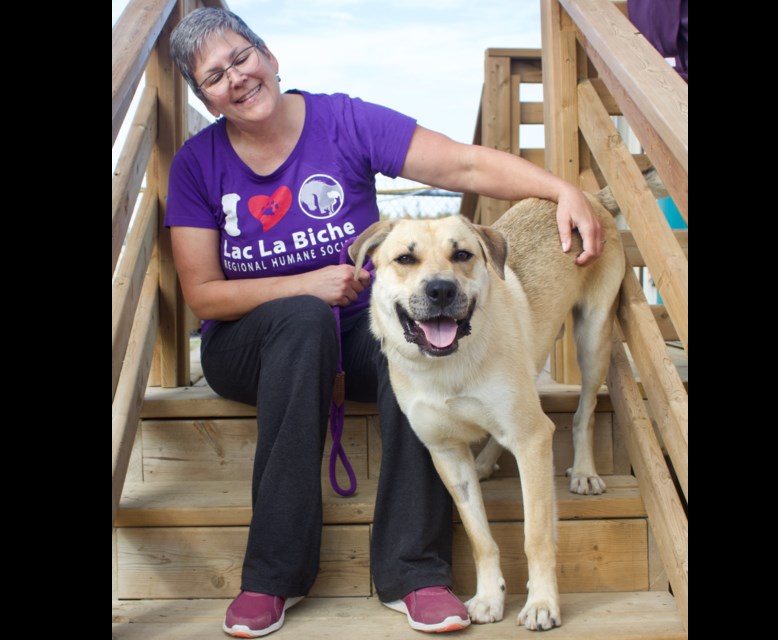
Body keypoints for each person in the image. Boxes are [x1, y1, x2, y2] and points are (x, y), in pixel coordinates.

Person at [166, 7, 604, 637]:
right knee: (302, 321)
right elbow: (204, 295)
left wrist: (562, 190)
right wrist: (307, 286)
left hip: (354, 331)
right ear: (204, 98)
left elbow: (465, 167)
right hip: (251, 341)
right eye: (213, 76)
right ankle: (271, 575)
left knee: (412, 342)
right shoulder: (196, 164)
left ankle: (415, 571)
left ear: (269, 57)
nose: (235, 78)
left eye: (241, 58)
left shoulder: (341, 120)